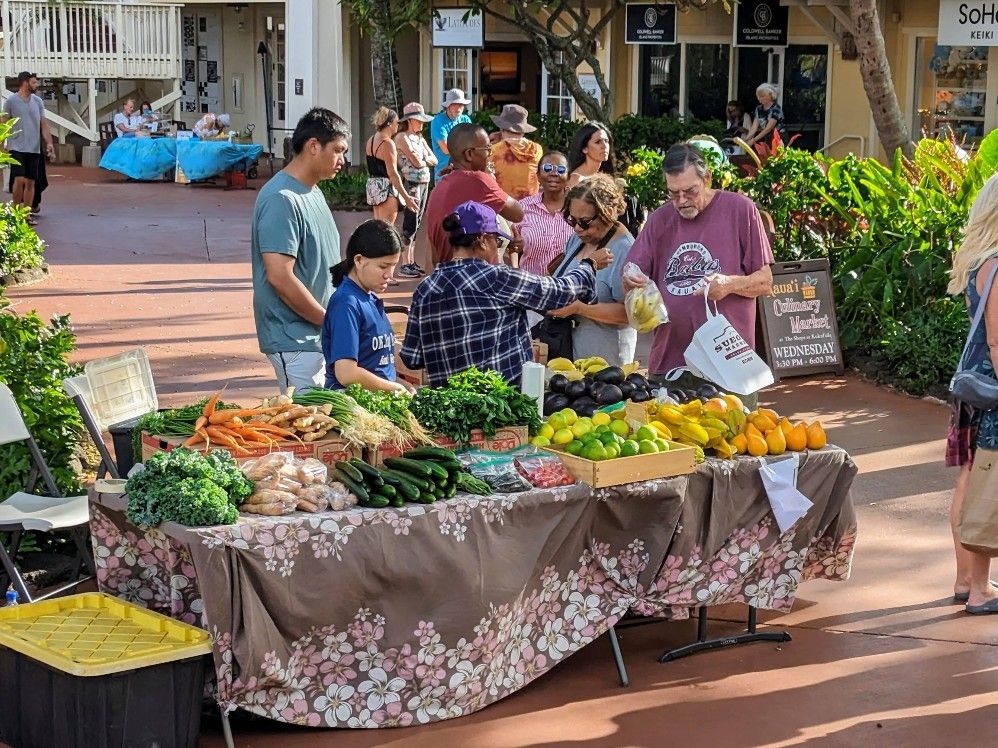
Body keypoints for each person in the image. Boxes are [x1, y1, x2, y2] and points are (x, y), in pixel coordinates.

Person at [623, 142, 773, 408]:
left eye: (689, 191)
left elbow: (764, 281)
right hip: (671, 361)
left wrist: (728, 284)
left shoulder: (740, 209)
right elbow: (633, 269)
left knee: (735, 443)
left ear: (707, 178)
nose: (681, 201)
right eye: (673, 194)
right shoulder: (659, 219)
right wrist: (631, 278)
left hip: (728, 365)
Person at [401, 201, 608, 386]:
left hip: (450, 412)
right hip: (502, 408)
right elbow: (559, 292)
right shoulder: (497, 278)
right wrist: (589, 265)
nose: (497, 249)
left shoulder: (426, 289)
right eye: (497, 242)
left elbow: (412, 358)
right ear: (483, 240)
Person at [251, 107, 350, 393]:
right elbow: (280, 277)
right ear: (313, 146)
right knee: (310, 430)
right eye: (338, 150)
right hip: (294, 339)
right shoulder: (281, 198)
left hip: (318, 337)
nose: (342, 160)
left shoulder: (312, 191)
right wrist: (329, 320)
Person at [944, 174, 998, 615]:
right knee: (985, 482)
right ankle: (980, 589)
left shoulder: (981, 259)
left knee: (969, 480)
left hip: (975, 389)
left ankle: (966, 579)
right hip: (994, 389)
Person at [547, 174, 637, 366]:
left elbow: (629, 314)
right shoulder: (577, 240)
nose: (578, 228)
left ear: (609, 213)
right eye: (572, 220)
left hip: (605, 359)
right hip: (567, 352)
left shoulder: (626, 250)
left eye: (585, 222)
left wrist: (580, 308)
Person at [322, 220, 410, 393]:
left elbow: (377, 367)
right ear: (359, 260)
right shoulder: (346, 303)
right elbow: (346, 373)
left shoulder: (369, 297)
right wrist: (394, 389)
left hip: (378, 402)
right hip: (355, 405)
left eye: (393, 266)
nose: (389, 275)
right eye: (383, 266)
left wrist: (402, 384)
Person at [424, 123, 524, 265]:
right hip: (477, 277)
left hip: (446, 275)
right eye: (487, 149)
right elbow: (518, 213)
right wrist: (490, 179)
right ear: (469, 154)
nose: (490, 155)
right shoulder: (480, 181)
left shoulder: (438, 187)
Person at [2, 72, 54, 224]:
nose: (36, 85)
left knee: (31, 182)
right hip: (16, 146)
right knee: (19, 179)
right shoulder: (11, 101)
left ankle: (26, 214)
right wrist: (1, 145)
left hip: (34, 148)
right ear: (25, 82)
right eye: (34, 82)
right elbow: (4, 124)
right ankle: (16, 213)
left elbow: (43, 124)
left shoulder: (38, 102)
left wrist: (49, 143)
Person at [394, 102, 437, 279]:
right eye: (419, 120)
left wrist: (423, 159)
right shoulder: (401, 137)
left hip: (424, 181)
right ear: (410, 120)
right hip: (411, 182)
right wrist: (423, 160)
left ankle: (410, 262)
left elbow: (432, 159)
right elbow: (417, 161)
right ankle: (404, 264)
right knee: (410, 221)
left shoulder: (419, 138)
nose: (422, 124)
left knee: (418, 222)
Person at [365, 107, 418, 245]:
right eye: (396, 122)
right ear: (389, 123)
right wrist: (407, 198)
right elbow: (393, 174)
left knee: (378, 231)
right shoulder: (388, 144)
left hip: (374, 188)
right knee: (386, 236)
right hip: (386, 189)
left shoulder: (371, 140)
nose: (398, 125)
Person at [516, 151, 574, 276]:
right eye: (547, 168)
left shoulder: (578, 208)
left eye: (561, 169)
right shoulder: (523, 207)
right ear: (538, 175)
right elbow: (510, 249)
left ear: (569, 177)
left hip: (569, 289)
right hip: (531, 288)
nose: (554, 173)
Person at [489, 104, 543, 200]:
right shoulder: (537, 150)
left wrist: (488, 141)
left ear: (501, 129)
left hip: (504, 206)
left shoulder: (494, 151)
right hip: (531, 205)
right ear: (523, 131)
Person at [429, 88, 472, 179]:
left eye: (461, 104)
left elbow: (472, 144)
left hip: (464, 172)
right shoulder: (438, 121)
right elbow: (446, 149)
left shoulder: (466, 119)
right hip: (444, 174)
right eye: (455, 104)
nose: (458, 108)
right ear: (448, 106)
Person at [566, 121, 613, 190]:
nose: (604, 146)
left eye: (606, 141)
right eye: (598, 142)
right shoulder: (576, 180)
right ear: (584, 148)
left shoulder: (602, 176)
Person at [744, 83, 788, 147]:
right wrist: (746, 140)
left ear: (770, 95)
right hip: (768, 137)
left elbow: (768, 128)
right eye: (758, 96)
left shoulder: (776, 108)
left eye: (762, 96)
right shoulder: (758, 109)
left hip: (779, 138)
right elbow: (754, 127)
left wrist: (753, 140)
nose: (759, 99)